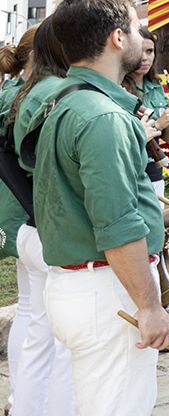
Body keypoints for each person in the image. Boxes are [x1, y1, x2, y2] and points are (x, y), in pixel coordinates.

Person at [15, 0, 169, 416]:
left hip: (80, 288)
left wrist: (164, 213)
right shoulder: (103, 117)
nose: (142, 39)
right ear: (118, 38)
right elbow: (116, 225)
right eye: (137, 29)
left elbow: (83, 197)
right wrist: (149, 307)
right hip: (106, 291)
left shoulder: (65, 101)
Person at [1, 24, 76, 416]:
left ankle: (21, 401)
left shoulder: (19, 92)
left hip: (25, 219)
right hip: (42, 221)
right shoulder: (50, 94)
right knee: (59, 334)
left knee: (32, 317)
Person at [123, 28, 169, 197]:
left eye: (150, 51)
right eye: (139, 51)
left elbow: (168, 138)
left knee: (156, 219)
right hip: (130, 171)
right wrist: (159, 123)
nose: (144, 57)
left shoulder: (156, 86)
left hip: (155, 167)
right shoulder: (118, 87)